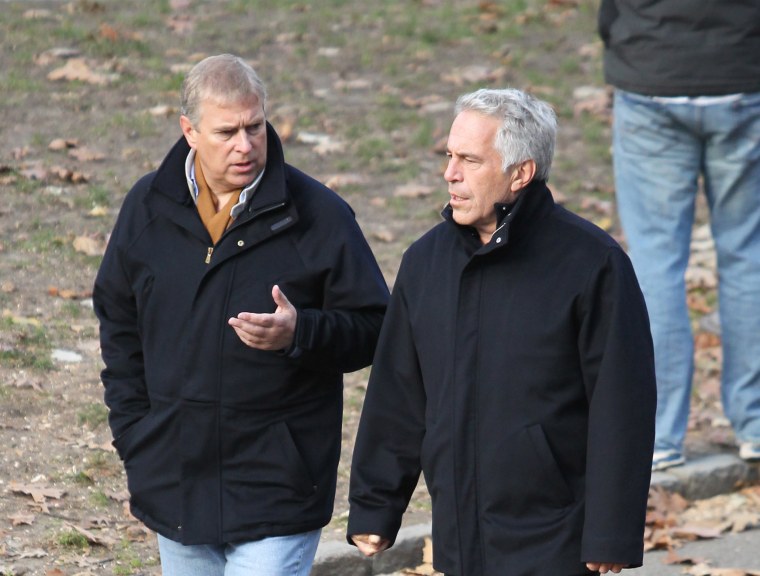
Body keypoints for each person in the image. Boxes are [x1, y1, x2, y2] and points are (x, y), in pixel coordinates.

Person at [92, 53, 389, 576]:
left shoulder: (319, 216)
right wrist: (135, 432)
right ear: (190, 131)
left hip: (278, 489)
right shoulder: (147, 208)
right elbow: (117, 319)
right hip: (176, 483)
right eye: (227, 131)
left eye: (256, 127)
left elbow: (375, 328)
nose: (246, 145)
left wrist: (302, 332)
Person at [346, 88, 657, 576]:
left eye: (469, 160)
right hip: (460, 534)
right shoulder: (424, 263)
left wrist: (610, 532)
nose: (450, 173)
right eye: (450, 156)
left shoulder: (592, 264)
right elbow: (397, 394)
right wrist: (375, 505)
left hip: (557, 536)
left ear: (521, 173)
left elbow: (623, 405)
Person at [599, 0, 760, 470]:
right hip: (743, 72)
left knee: (654, 263)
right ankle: (753, 422)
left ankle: (659, 435)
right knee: (749, 254)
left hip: (652, 71)